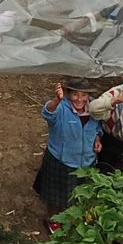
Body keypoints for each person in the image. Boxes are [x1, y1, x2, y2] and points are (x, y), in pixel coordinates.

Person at [34, 77, 101, 222]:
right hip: (62, 161)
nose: (79, 99)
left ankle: (73, 221)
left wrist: (97, 139)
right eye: (75, 94)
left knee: (80, 195)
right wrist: (57, 99)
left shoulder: (95, 109)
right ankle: (52, 220)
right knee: (56, 198)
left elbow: (97, 128)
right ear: (68, 94)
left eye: (84, 95)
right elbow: (47, 113)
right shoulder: (61, 108)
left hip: (86, 162)